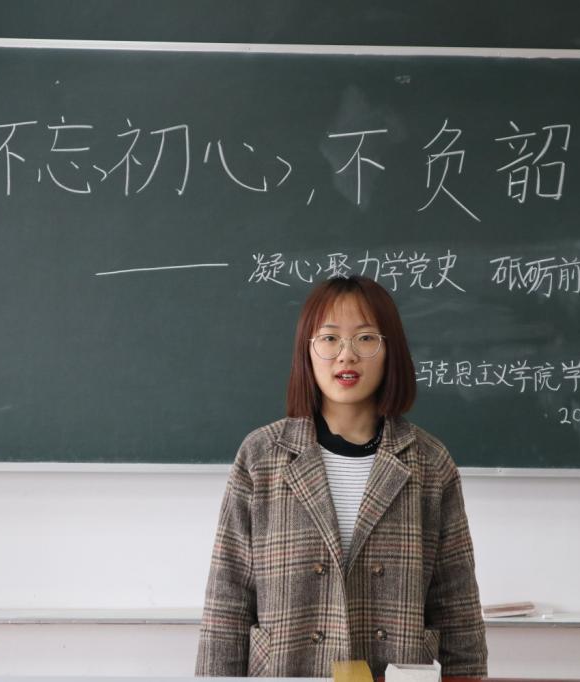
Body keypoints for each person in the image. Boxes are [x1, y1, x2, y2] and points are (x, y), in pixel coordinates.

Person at [195, 276, 487, 678]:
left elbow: (457, 608)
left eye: (365, 339)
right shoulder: (262, 456)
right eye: (329, 339)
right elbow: (227, 601)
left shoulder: (430, 462)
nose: (346, 355)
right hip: (289, 670)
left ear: (390, 351)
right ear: (307, 350)